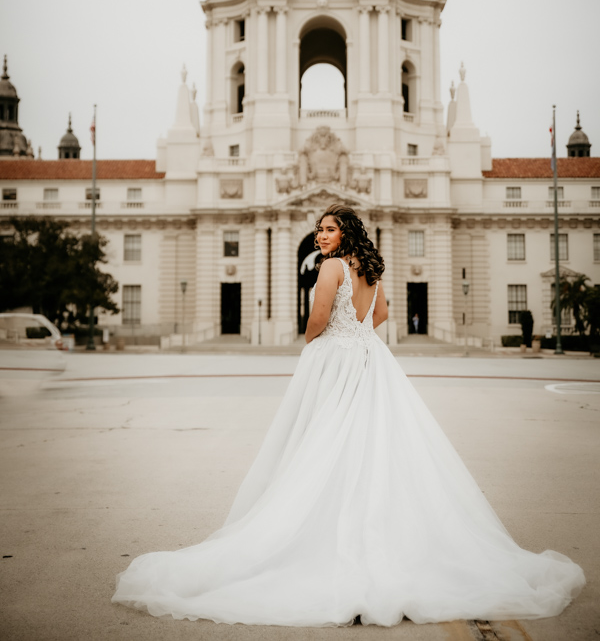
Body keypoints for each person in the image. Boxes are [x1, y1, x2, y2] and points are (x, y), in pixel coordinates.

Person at [112, 204, 585, 626]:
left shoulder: (331, 268)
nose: (321, 236)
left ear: (345, 234)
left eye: (329, 229)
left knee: (321, 440)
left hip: (334, 357)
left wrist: (313, 339)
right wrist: (355, 333)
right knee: (370, 442)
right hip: (369, 357)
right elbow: (382, 314)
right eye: (319, 229)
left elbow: (317, 315)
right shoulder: (370, 269)